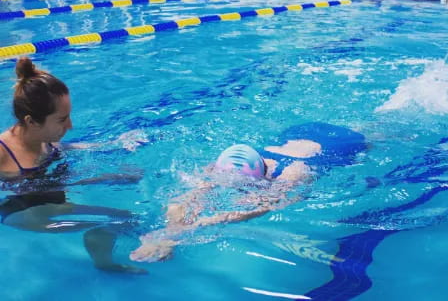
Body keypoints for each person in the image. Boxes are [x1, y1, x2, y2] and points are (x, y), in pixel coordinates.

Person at [130, 122, 368, 262]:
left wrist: (184, 232)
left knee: (375, 130)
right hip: (297, 132)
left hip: (342, 145)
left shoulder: (294, 173)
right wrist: (168, 231)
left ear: (262, 176)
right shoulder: (228, 163)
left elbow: (262, 207)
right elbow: (190, 195)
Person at [0, 57, 144, 274]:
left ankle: (100, 243)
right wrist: (104, 178)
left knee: (128, 218)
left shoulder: (44, 135)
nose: (70, 125)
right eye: (62, 120)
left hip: (52, 200)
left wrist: (113, 145)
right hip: (23, 211)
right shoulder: (3, 152)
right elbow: (46, 184)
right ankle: (105, 263)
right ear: (31, 121)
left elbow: (66, 150)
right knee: (120, 220)